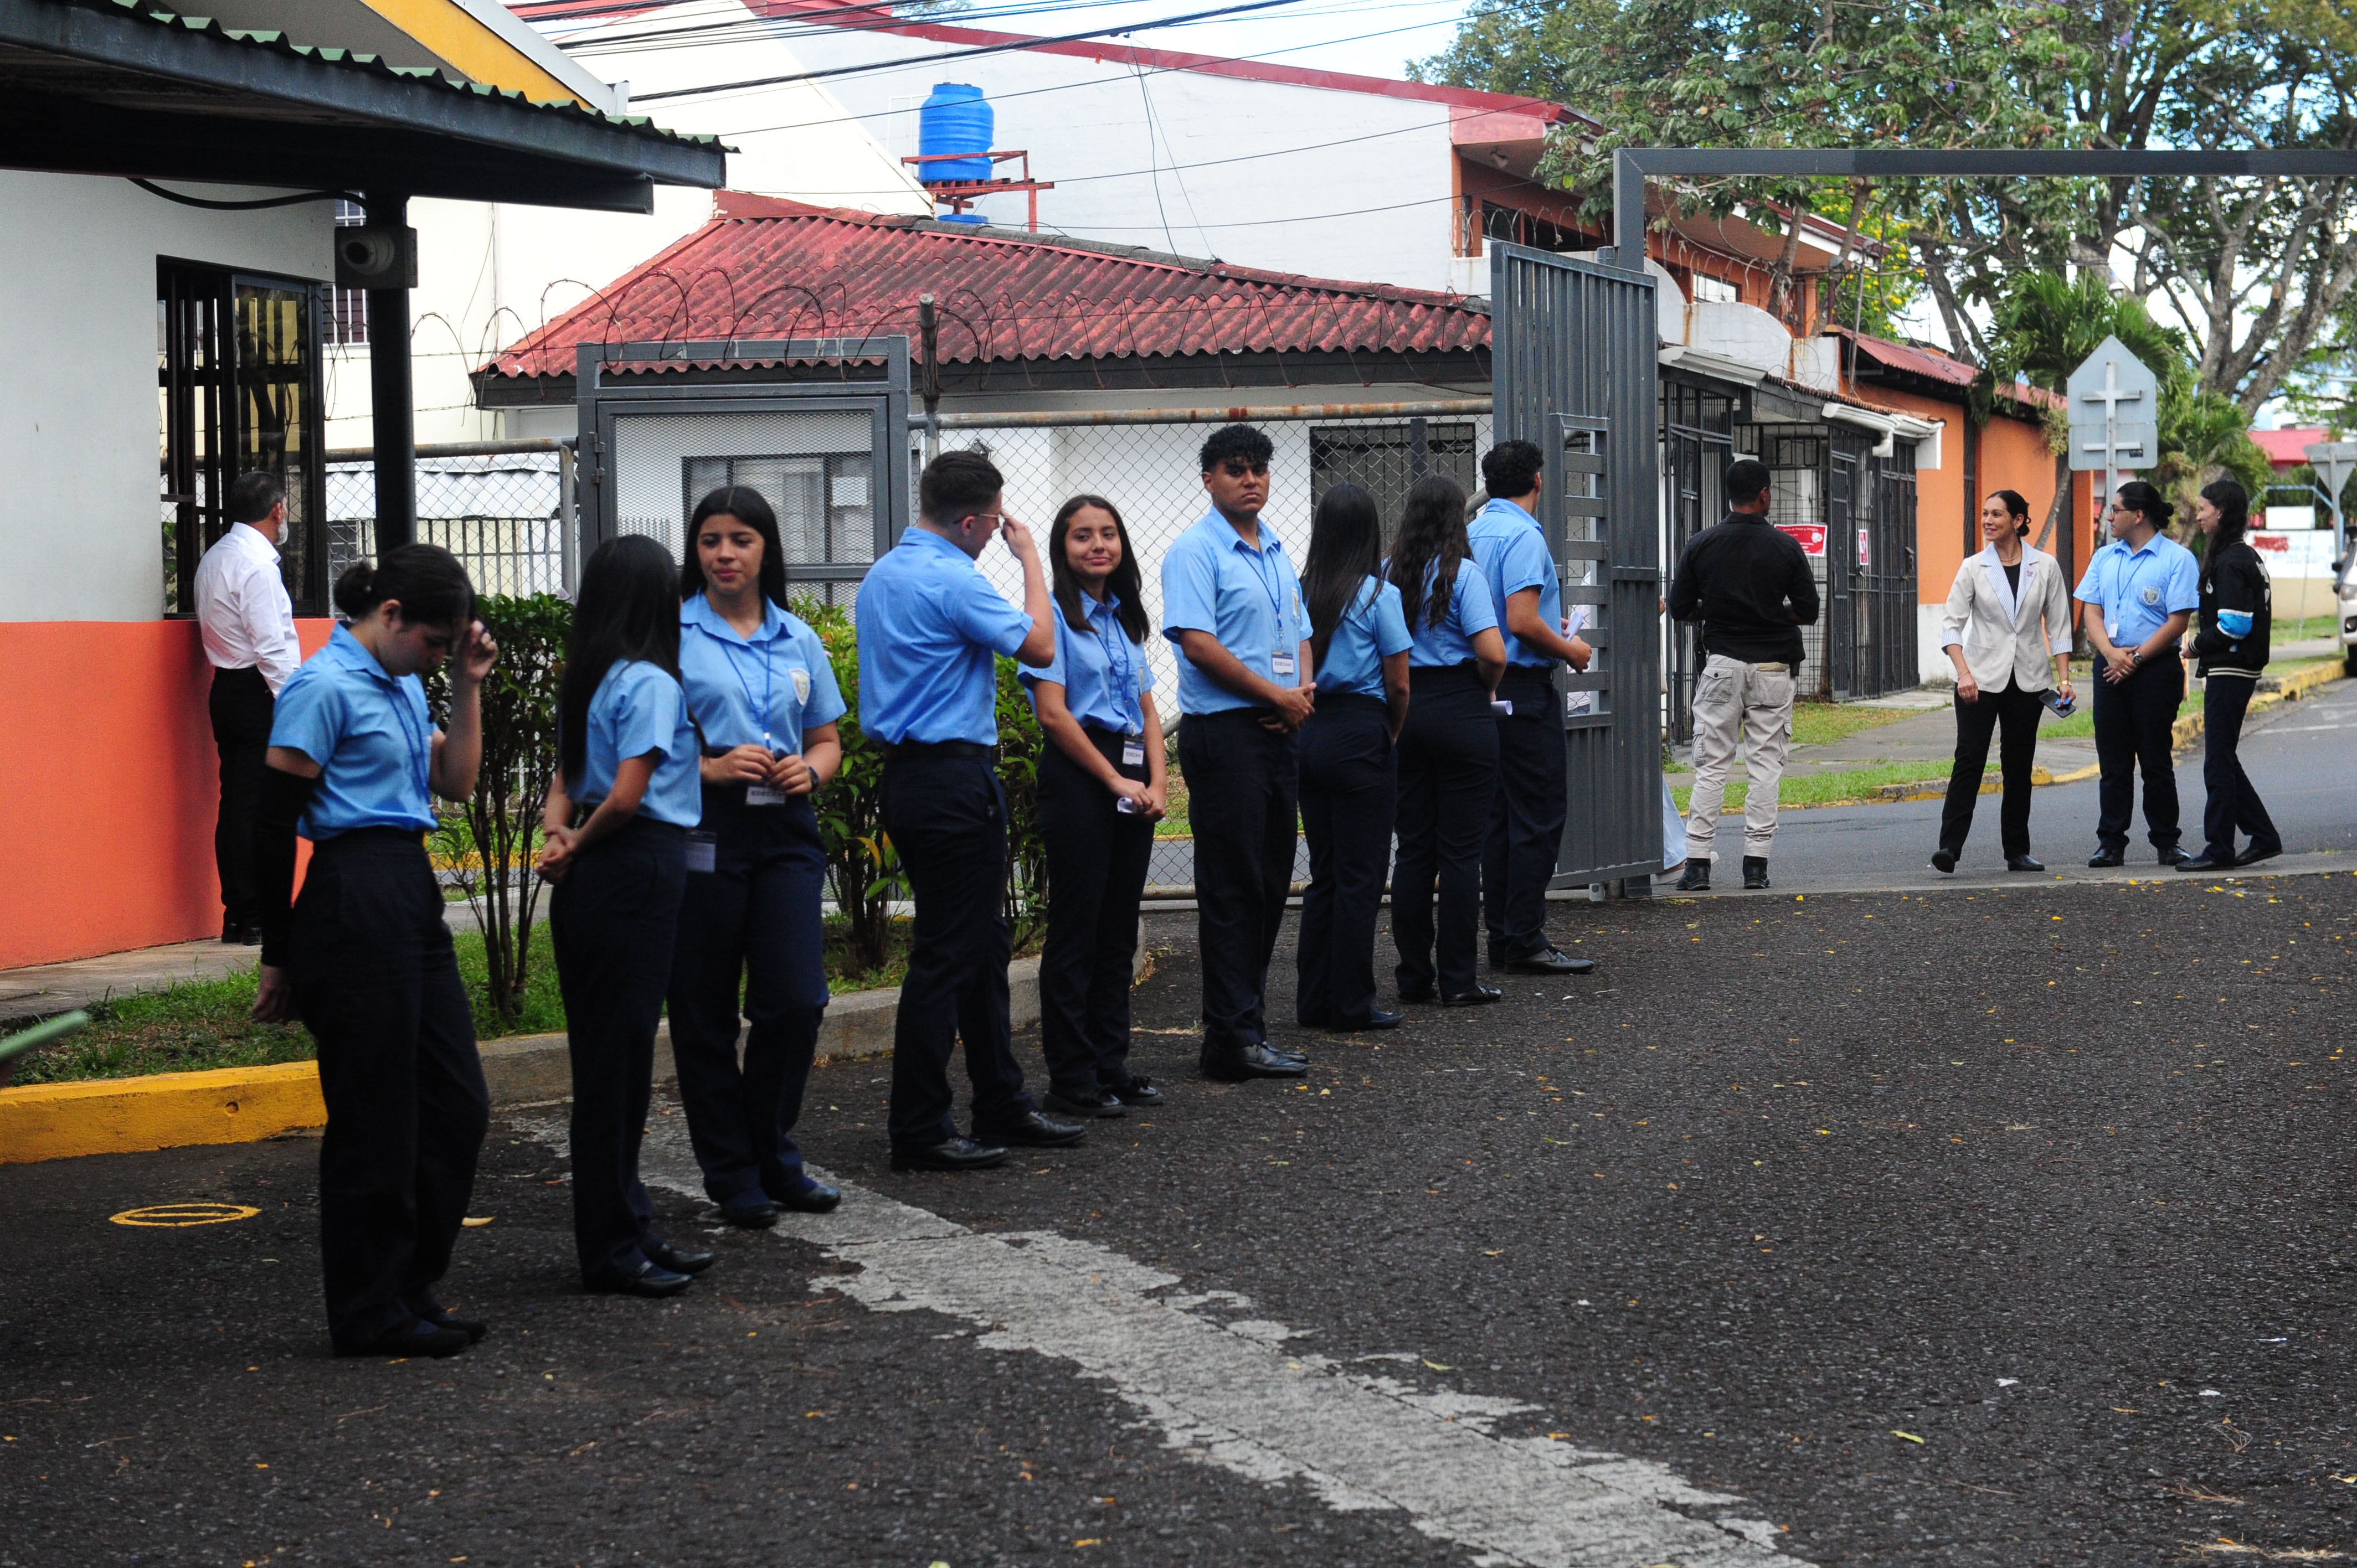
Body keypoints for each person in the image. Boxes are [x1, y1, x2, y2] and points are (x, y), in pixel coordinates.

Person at [250, 545, 497, 1359]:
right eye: (433, 641)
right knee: (376, 1118)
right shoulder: (321, 687)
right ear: (389, 616)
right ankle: (368, 1309)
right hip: (351, 894)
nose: (436, 653)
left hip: (407, 890)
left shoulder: (402, 680)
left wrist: (465, 685)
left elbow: (456, 783)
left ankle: (409, 1284)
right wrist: (277, 953)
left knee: (456, 1103)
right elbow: (268, 826)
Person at [857, 450, 1082, 1170]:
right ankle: (920, 1128)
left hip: (909, 781)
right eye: (992, 523)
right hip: (954, 782)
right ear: (971, 518)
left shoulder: (882, 575)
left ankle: (1001, 1102)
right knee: (949, 954)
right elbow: (1042, 645)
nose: (995, 533)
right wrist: (1032, 564)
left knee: (982, 943)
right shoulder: (954, 578)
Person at [667, 487, 847, 1229]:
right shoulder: (671, 634)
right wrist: (707, 768)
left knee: (796, 1001)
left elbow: (828, 739)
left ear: (766, 548)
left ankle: (772, 1147)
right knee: (704, 1008)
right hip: (705, 831)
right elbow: (643, 745)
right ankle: (734, 1172)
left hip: (786, 836)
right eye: (710, 541)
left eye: (740, 540)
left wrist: (812, 770)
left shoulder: (797, 637)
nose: (724, 554)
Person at [539, 535, 712, 1298]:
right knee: (620, 1068)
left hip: (595, 875)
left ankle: (631, 1224)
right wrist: (579, 836)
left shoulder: (591, 676)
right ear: (658, 602)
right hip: (637, 863)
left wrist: (558, 839)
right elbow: (628, 796)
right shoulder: (652, 682)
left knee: (609, 1064)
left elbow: (564, 780)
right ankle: (611, 1247)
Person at [1161, 424, 1313, 1081]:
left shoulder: (1276, 549)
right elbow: (1198, 644)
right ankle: (1229, 1039)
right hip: (1225, 736)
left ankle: (1243, 1027)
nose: (1249, 479)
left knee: (1271, 880)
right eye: (1234, 470)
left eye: (1258, 469)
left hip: (1278, 732)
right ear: (1208, 480)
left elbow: (1301, 633)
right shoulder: (1195, 552)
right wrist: (1273, 696)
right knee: (1232, 887)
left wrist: (1298, 694)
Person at [1021, 496, 1169, 1117]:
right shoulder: (1049, 616)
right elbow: (1053, 714)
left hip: (1132, 777)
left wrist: (1158, 786)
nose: (1097, 545)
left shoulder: (1121, 617)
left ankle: (1112, 1064)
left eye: (1108, 534)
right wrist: (1113, 780)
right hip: (1084, 775)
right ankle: (1072, 1077)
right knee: (1077, 932)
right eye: (1082, 536)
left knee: (1116, 930)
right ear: (1062, 548)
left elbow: (1148, 711)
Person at [1467, 441, 1595, 972]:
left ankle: (1503, 934)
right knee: (1540, 813)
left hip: (1480, 687)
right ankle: (1526, 937)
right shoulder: (1523, 534)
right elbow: (1520, 621)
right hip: (1522, 684)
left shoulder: (1473, 533)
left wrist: (1548, 626)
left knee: (1499, 818)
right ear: (1538, 481)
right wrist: (1571, 649)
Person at [1668, 457, 1819, 892]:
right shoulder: (1785, 548)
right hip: (1773, 667)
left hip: (1722, 665)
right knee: (1765, 765)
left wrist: (1714, 611)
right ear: (1765, 495)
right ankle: (1756, 865)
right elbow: (1808, 610)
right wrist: (1775, 614)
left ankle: (1697, 864)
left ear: (1730, 496)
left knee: (1712, 766)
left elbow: (1679, 608)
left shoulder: (1701, 544)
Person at [1294, 484, 1413, 1032]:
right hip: (1360, 731)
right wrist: (1389, 732)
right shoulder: (1377, 595)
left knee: (1324, 872)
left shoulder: (1300, 592)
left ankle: (1313, 998)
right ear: (1369, 533)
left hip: (1309, 728)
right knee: (1361, 875)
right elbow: (1399, 684)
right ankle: (1352, 1002)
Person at [1386, 475, 1506, 1008]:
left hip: (1407, 711)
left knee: (1414, 849)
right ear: (1459, 518)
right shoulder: (1465, 575)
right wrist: (1479, 688)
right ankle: (1458, 979)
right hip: (1461, 707)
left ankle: (1413, 976)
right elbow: (1494, 653)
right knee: (1461, 853)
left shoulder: (1389, 575)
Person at [1931, 489, 2075, 874]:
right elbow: (1951, 626)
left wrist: (2064, 680)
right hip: (1977, 679)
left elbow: (2059, 626)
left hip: (2029, 680)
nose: (1988, 521)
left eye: (1997, 514)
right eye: (1984, 514)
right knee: (1969, 759)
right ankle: (1949, 847)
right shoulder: (1973, 567)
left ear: (2019, 520)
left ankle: (2017, 850)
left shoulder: (2045, 567)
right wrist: (1963, 673)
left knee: (2018, 766)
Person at [193, 471, 302, 945]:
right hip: (259, 691)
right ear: (277, 509)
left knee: (235, 802)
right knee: (257, 807)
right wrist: (296, 703)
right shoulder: (257, 567)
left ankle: (238, 912)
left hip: (227, 689)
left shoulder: (216, 557)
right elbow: (271, 648)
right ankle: (256, 913)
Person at [2076, 479, 2200, 868]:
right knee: (2113, 763)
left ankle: (2167, 841)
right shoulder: (2105, 558)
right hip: (2110, 667)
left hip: (2155, 669)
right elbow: (2091, 612)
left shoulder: (2177, 559)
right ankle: (2111, 842)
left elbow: (2178, 620)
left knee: (2155, 759)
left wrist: (2138, 659)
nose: (2108, 516)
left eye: (2115, 510)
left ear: (2139, 515)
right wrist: (2112, 654)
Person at [2180, 477, 2278, 873]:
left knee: (2217, 761)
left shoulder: (2233, 560)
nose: (2199, 517)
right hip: (2237, 668)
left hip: (2232, 668)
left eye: (2203, 509)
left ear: (2220, 512)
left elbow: (2235, 625)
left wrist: (2194, 646)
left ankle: (2219, 848)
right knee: (2224, 757)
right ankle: (2264, 836)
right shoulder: (2243, 556)